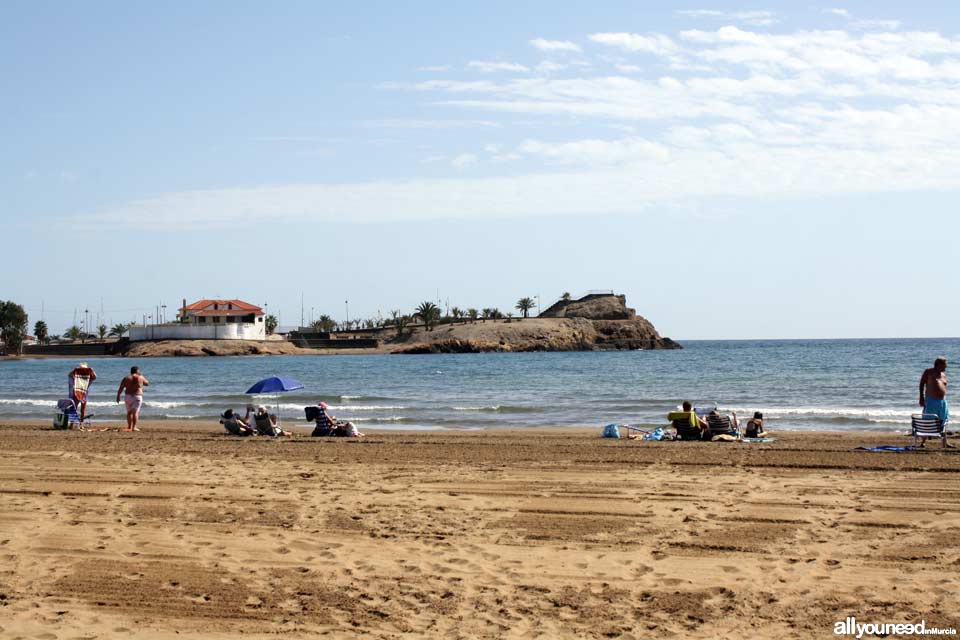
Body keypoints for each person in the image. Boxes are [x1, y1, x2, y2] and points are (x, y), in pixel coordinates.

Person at [116, 366, 149, 432]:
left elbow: (121, 388)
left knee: (129, 412)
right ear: (137, 371)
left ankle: (129, 426)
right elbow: (147, 383)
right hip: (137, 396)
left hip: (128, 396)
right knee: (135, 412)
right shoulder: (140, 377)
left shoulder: (126, 378)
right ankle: (134, 427)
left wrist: (118, 396)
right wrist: (141, 375)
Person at [919, 357, 949, 426]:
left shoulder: (943, 374)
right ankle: (928, 435)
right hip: (931, 401)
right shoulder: (928, 372)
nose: (946, 367)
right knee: (929, 421)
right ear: (938, 365)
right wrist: (921, 397)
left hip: (942, 401)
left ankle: (939, 434)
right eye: (945, 365)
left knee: (942, 420)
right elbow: (921, 384)